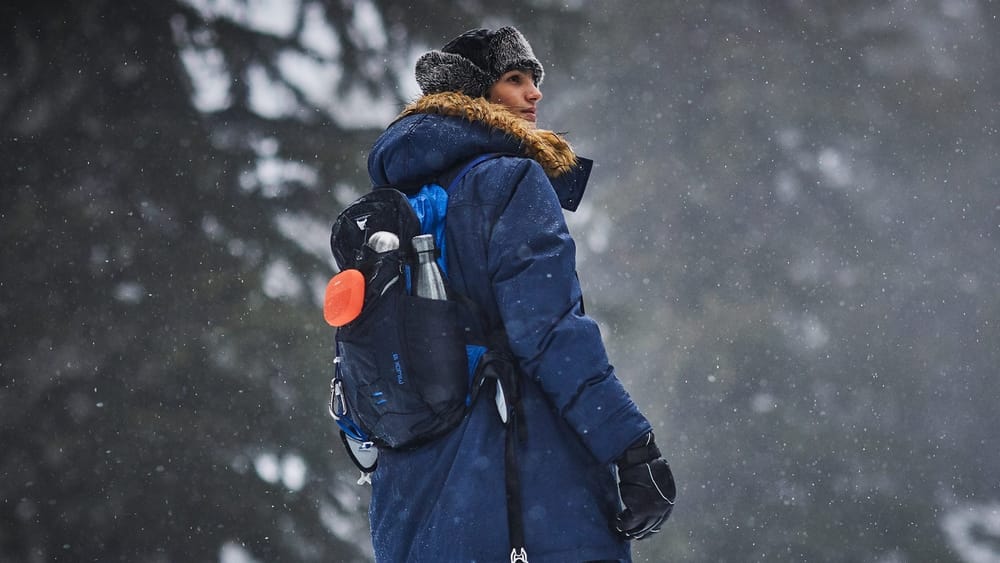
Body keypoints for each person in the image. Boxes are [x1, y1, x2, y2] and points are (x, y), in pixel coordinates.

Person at [364, 26, 675, 562]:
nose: (535, 94)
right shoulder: (509, 181)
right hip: (521, 485)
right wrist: (631, 448)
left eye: (535, 80)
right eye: (515, 80)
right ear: (473, 92)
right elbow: (549, 333)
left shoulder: (395, 204)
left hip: (414, 491)